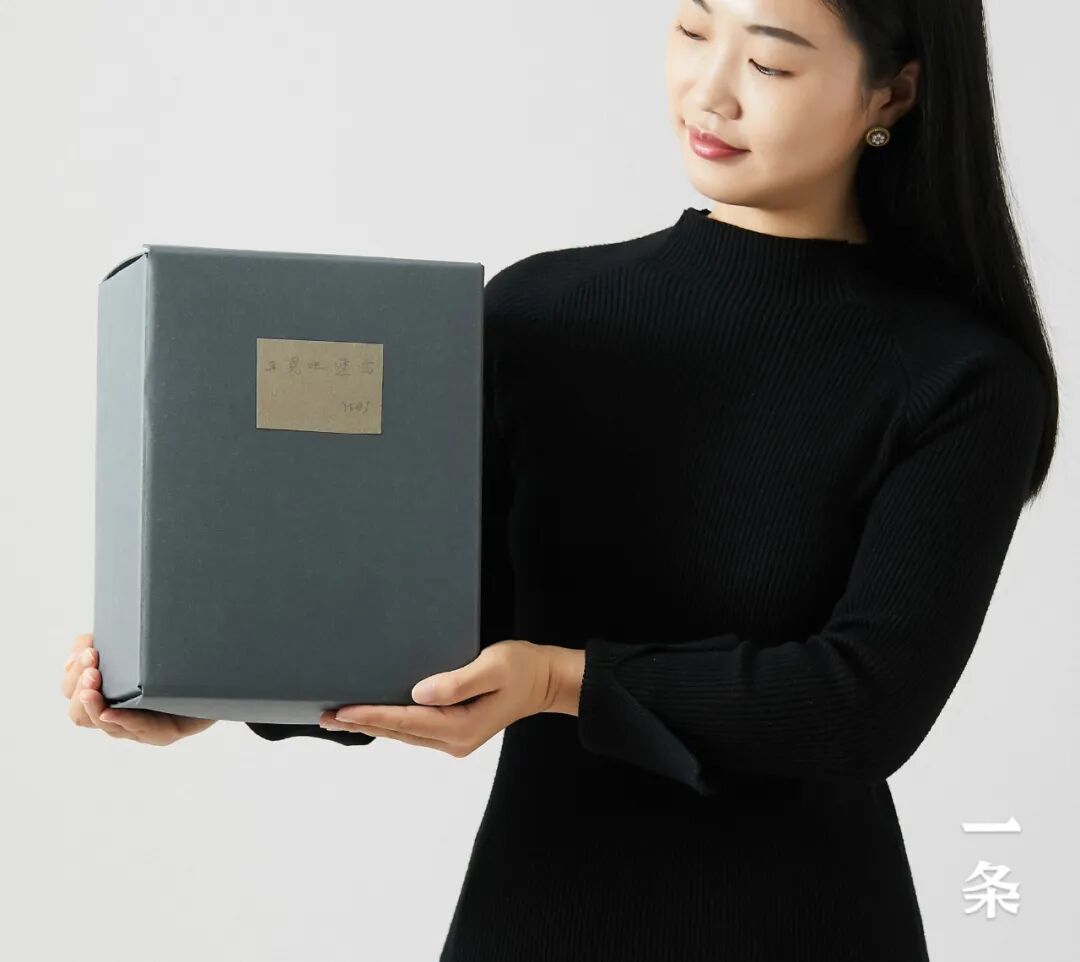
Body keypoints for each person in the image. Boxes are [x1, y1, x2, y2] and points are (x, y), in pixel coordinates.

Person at [63, 0, 1060, 959]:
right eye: (692, 28)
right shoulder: (542, 312)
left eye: (768, 61)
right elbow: (430, 634)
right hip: (534, 915)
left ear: (892, 92)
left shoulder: (963, 378)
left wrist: (558, 679)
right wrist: (210, 680)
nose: (709, 91)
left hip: (800, 926)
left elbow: (862, 704)